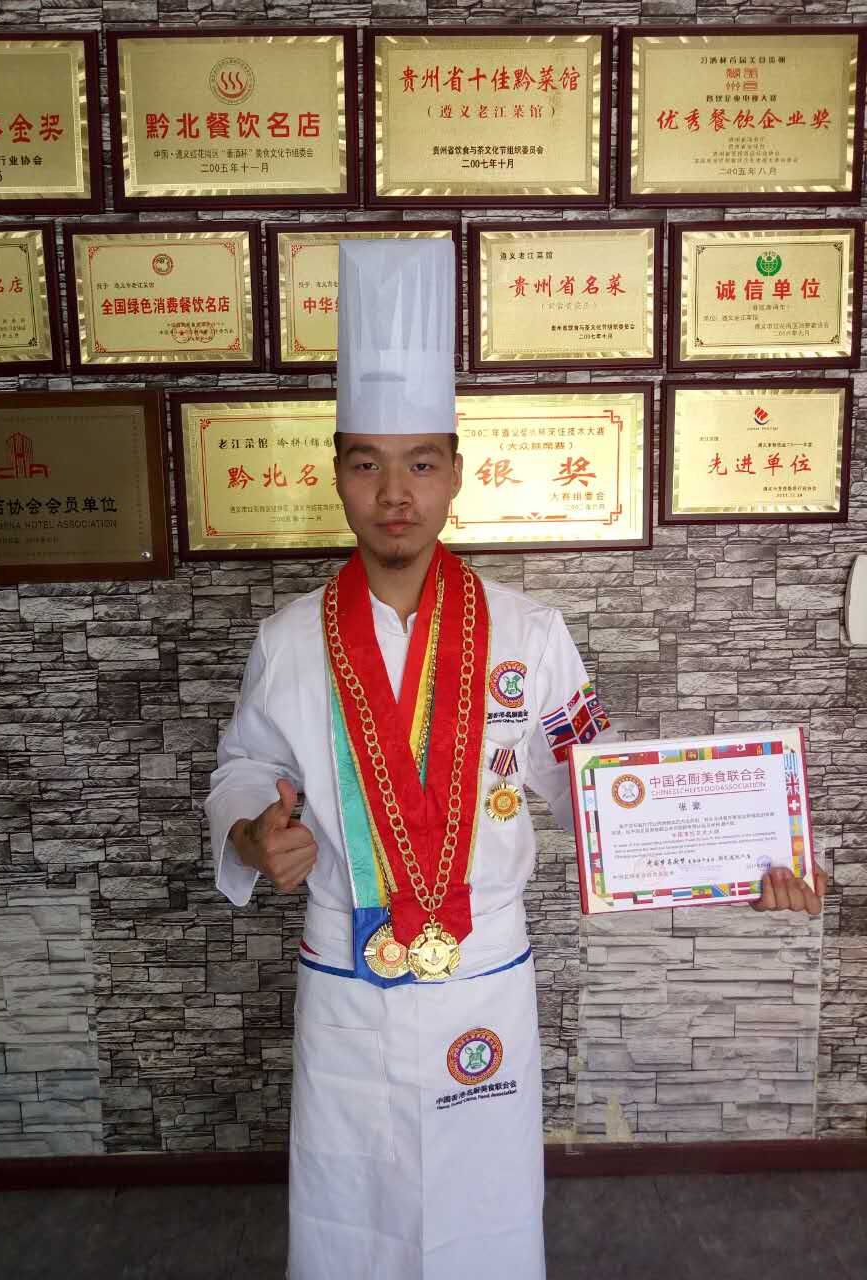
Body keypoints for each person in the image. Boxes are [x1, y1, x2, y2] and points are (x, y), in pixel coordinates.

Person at [205, 239, 826, 1280]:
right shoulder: (288, 641)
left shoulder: (529, 635)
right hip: (346, 977)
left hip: (482, 977)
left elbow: (605, 791)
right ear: (336, 473)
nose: (394, 492)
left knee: (481, 1218)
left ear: (457, 473)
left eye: (421, 463)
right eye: (367, 463)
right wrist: (247, 831)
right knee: (347, 1213)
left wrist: (751, 857)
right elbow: (241, 764)